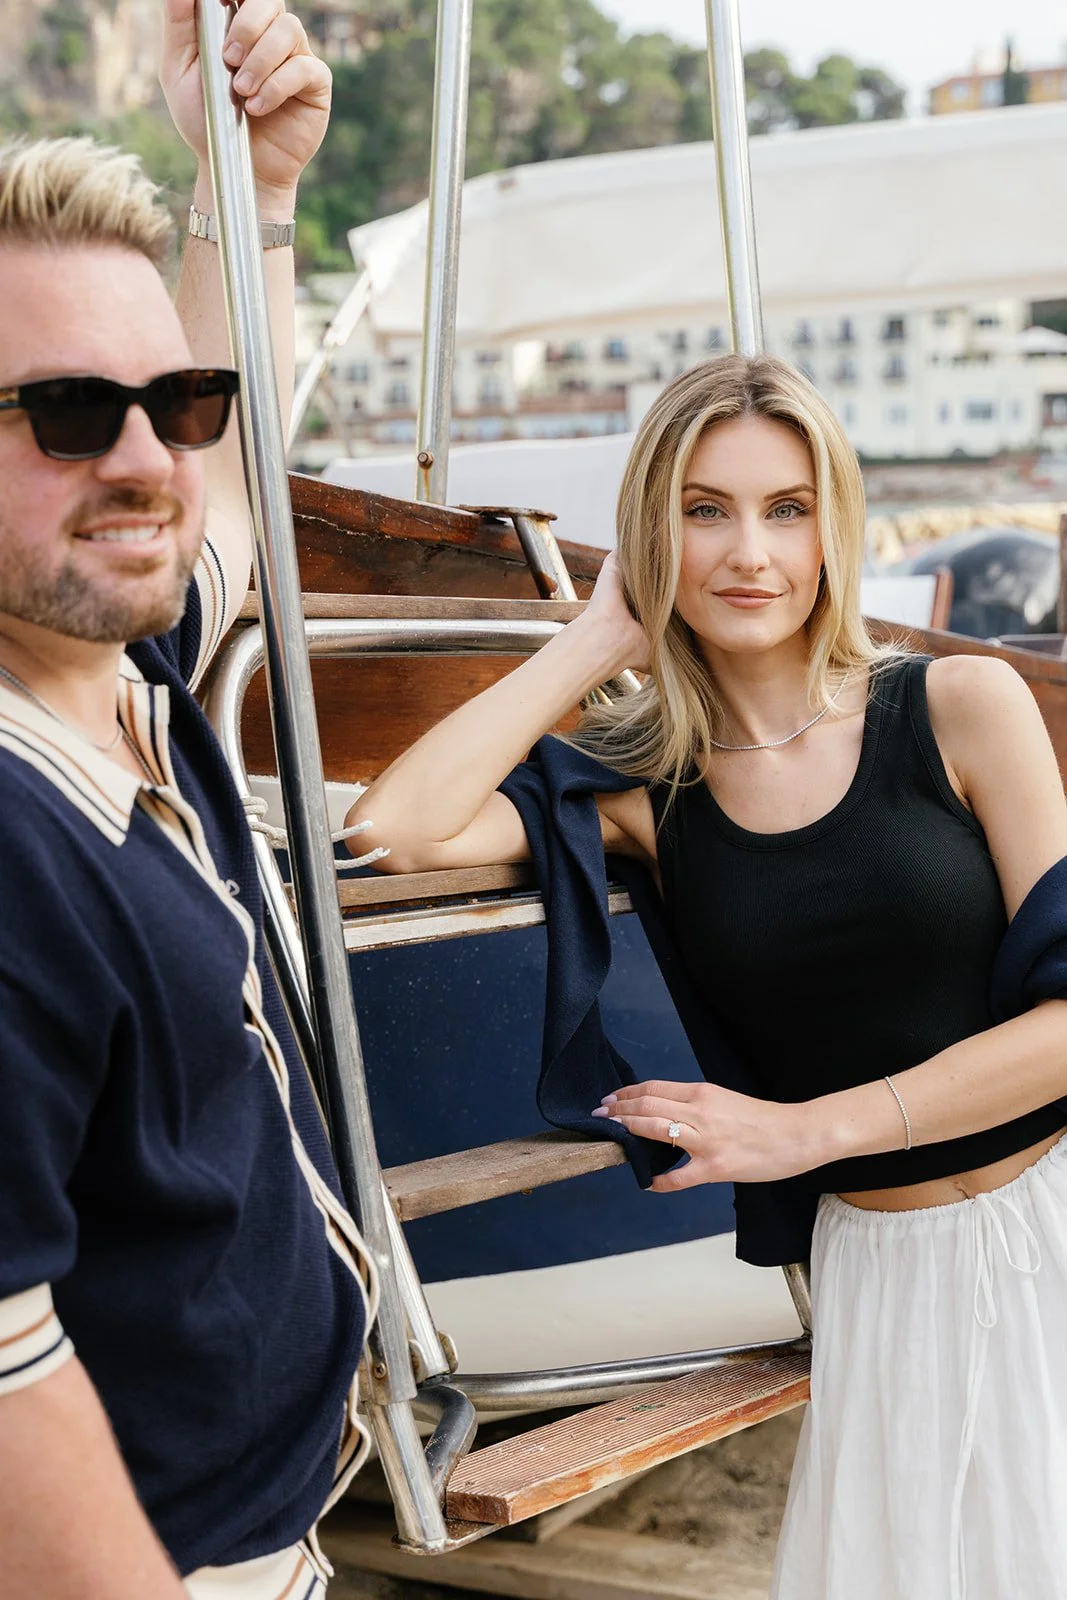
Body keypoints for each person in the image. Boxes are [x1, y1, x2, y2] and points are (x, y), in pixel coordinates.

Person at [348, 353, 1067, 1599]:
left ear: (833, 528)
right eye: (702, 509)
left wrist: (805, 1129)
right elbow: (391, 828)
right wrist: (588, 637)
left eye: (787, 508)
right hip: (884, 1272)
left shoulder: (961, 705)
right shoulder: (642, 786)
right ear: (649, 535)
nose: (750, 552)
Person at [0, 4, 375, 1596]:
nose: (147, 457)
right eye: (71, 413)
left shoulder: (127, 674)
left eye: (182, 399)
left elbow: (207, 511)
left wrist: (250, 190)